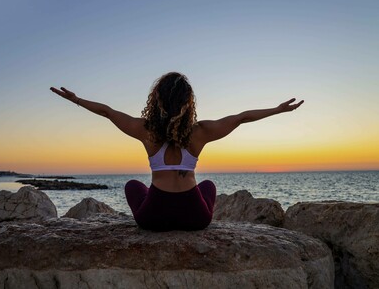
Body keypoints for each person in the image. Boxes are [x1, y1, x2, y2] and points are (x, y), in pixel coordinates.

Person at [51, 72, 303, 231]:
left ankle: (157, 197)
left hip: (153, 218)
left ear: (156, 100)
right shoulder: (201, 132)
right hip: (195, 218)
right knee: (209, 187)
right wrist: (277, 109)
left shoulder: (146, 131)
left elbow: (107, 112)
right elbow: (242, 118)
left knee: (132, 185)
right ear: (188, 103)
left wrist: (76, 99)